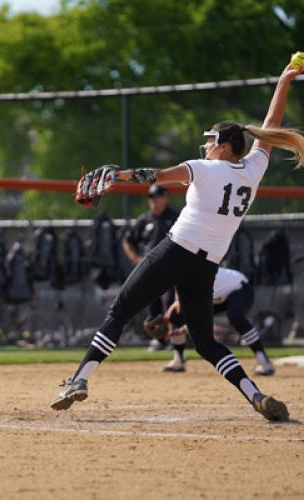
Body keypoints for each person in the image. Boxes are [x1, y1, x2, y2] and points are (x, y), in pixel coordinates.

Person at [52, 60, 304, 422]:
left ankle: (79, 380)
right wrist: (285, 80)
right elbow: (271, 125)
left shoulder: (204, 168)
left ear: (226, 144)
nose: (206, 145)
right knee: (206, 342)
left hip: (175, 250)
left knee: (120, 311)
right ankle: (256, 395)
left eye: (211, 140)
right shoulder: (253, 170)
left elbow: (157, 175)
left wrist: (119, 175)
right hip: (206, 266)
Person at [162, 267, 275, 376]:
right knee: (175, 316)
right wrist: (177, 304)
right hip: (217, 297)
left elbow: (201, 318)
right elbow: (180, 284)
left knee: (236, 317)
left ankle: (264, 361)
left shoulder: (199, 280)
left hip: (240, 288)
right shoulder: (185, 280)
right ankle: (178, 360)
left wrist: (185, 329)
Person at [122, 185, 178, 350]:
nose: (154, 201)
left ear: (166, 198)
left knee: (171, 301)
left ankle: (175, 339)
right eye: (151, 198)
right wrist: (135, 258)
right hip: (150, 269)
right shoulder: (144, 219)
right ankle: (160, 339)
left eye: (158, 197)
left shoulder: (176, 218)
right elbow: (127, 240)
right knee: (152, 303)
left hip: (171, 267)